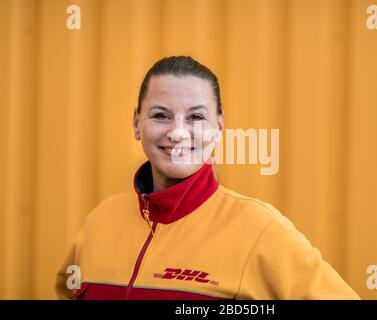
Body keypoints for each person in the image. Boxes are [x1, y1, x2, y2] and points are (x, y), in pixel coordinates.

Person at [55, 56, 360, 300]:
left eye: (196, 117)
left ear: (218, 127)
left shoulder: (260, 229)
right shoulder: (100, 221)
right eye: (160, 115)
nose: (177, 132)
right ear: (137, 123)